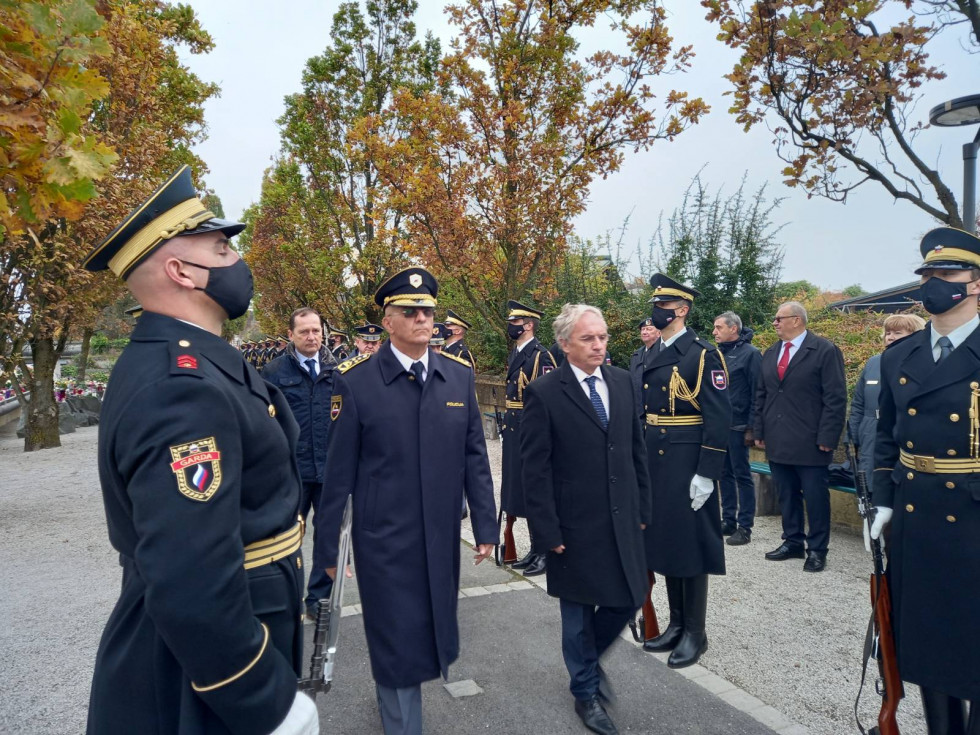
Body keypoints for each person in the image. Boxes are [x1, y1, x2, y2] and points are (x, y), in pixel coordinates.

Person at [81, 166, 317, 735]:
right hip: (208, 670)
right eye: (221, 249)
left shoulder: (201, 360)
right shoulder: (179, 387)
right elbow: (191, 577)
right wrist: (265, 699)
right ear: (181, 271)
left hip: (253, 607)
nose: (238, 262)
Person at [315, 267, 497, 735]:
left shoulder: (456, 378)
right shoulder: (355, 382)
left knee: (429, 630)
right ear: (388, 321)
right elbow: (336, 475)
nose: (422, 318)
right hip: (384, 540)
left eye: (428, 311)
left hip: (438, 535)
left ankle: (395, 701)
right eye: (409, 311)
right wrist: (329, 550)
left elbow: (475, 457)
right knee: (395, 638)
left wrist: (485, 528)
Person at [868, 227, 980, 734]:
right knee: (929, 638)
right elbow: (887, 439)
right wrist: (885, 501)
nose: (934, 282)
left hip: (974, 517)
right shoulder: (899, 356)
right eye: (928, 274)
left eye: (948, 273)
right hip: (918, 516)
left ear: (975, 283)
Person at [522, 304, 651, 735]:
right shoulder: (544, 392)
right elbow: (534, 469)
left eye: (603, 337)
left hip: (622, 516)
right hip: (573, 523)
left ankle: (587, 664)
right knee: (577, 613)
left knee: (631, 594)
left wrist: (643, 509)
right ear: (564, 344)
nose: (599, 345)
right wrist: (546, 530)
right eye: (588, 339)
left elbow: (636, 451)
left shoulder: (622, 381)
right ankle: (586, 694)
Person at [639, 274, 731, 669]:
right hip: (656, 458)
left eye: (664, 306)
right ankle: (676, 624)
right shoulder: (653, 351)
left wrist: (707, 471)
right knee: (669, 543)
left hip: (687, 458)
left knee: (691, 544)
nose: (657, 311)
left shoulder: (703, 354)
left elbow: (719, 416)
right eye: (655, 304)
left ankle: (696, 632)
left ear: (682, 310)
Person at [754, 301, 846, 573]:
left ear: (797, 320)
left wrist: (828, 436)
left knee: (816, 498)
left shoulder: (824, 350)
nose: (775, 323)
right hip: (778, 438)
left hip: (811, 440)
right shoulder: (771, 352)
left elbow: (835, 398)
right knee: (786, 494)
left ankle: (817, 549)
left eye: (779, 318)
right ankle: (792, 540)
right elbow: (762, 395)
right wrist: (759, 430)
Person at [261, 307, 338, 620]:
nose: (312, 337)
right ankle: (284, 596)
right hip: (292, 470)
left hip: (330, 469)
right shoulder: (274, 372)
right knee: (284, 537)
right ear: (290, 335)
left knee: (327, 536)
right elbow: (264, 424)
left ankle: (318, 600)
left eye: (316, 330)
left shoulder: (337, 370)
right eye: (304, 331)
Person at [501, 300, 558, 576]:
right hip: (515, 427)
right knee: (522, 490)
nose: (511, 327)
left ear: (529, 325)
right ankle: (534, 550)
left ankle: (544, 552)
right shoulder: (516, 352)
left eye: (515, 323)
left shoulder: (541, 355)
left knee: (536, 490)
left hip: (530, 427)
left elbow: (548, 398)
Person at [848, 313, 926, 481]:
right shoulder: (873, 363)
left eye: (898, 333)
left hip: (905, 437)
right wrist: (852, 438)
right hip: (871, 434)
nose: (890, 337)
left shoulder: (923, 365)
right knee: (871, 485)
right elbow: (858, 405)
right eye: (888, 332)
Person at [712, 311, 763, 546]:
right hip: (720, 424)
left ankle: (745, 527)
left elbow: (757, 392)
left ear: (733, 329)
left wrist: (752, 427)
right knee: (723, 474)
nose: (714, 332)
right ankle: (728, 519)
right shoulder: (716, 355)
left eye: (719, 327)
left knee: (742, 475)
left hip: (740, 423)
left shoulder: (751, 354)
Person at [628, 316, 661, 418]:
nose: (644, 332)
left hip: (657, 415)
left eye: (649, 329)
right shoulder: (636, 355)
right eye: (643, 329)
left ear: (659, 333)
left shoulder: (664, 354)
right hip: (638, 413)